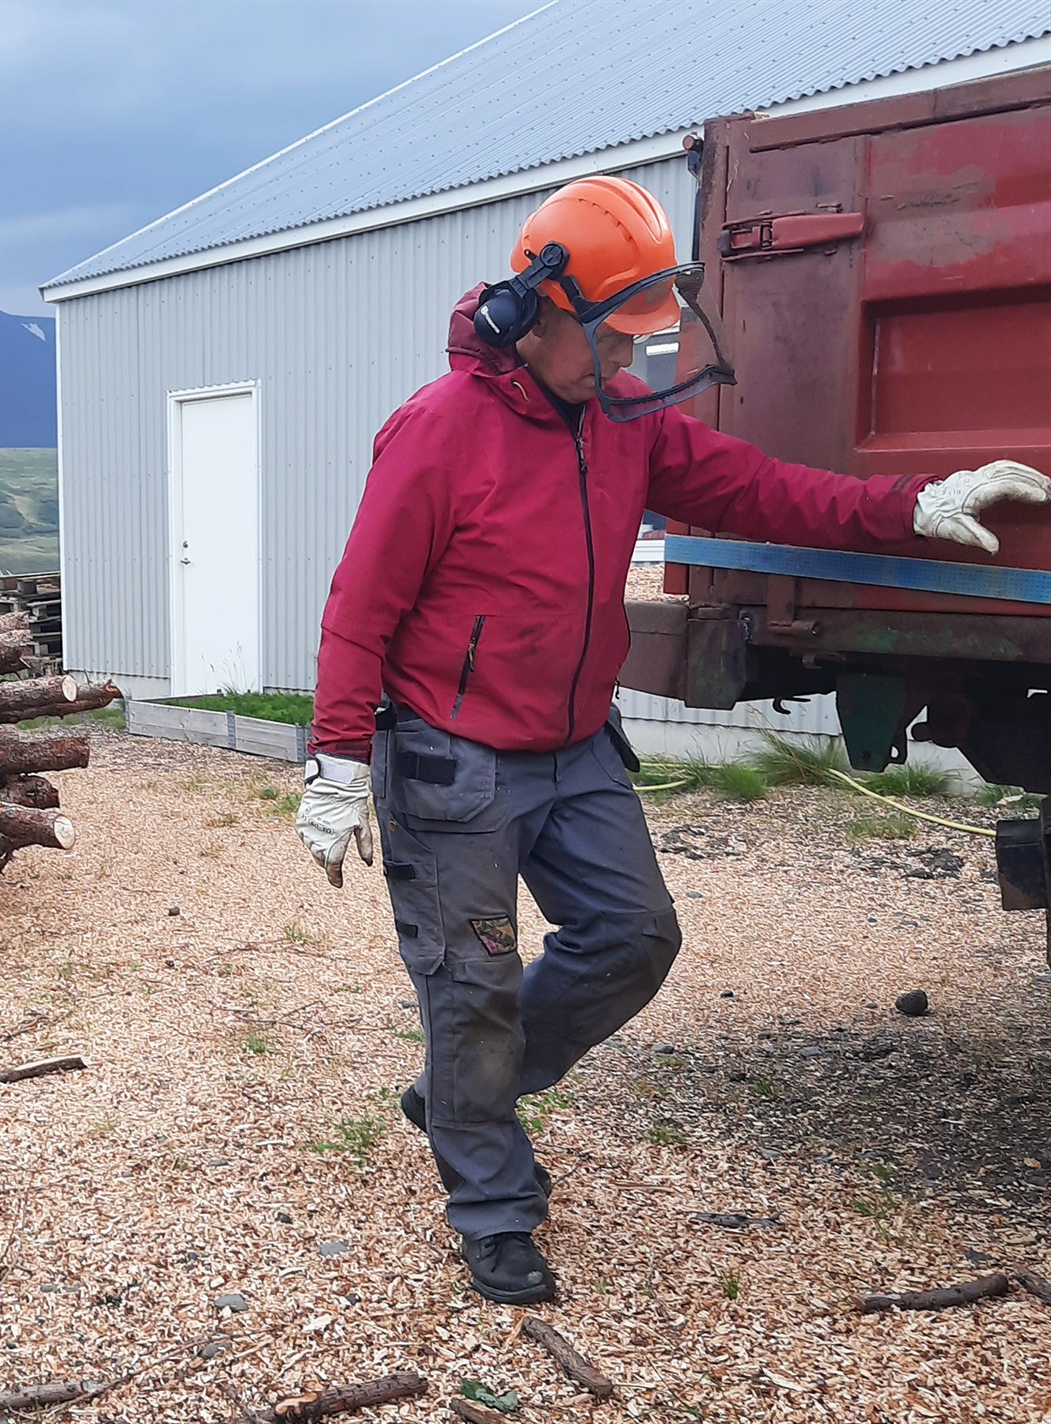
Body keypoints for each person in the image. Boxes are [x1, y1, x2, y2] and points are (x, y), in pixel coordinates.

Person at [293, 175, 1049, 1306]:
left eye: (645, 339)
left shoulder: (624, 424)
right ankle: (492, 1200)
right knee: (472, 987)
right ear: (535, 313)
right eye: (612, 339)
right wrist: (335, 762)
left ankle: (467, 1091)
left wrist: (908, 504)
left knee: (632, 937)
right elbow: (360, 606)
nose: (630, 363)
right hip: (451, 754)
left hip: (571, 743)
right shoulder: (435, 433)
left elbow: (762, 490)